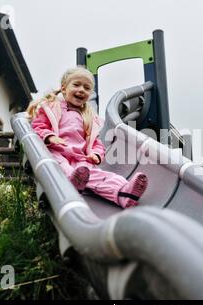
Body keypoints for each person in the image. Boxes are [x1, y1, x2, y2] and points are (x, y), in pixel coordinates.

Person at [27, 66, 148, 208]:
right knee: (63, 168)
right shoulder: (51, 107)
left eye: (86, 88)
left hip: (80, 159)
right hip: (56, 152)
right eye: (76, 85)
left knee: (99, 175)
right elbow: (38, 126)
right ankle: (71, 184)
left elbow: (96, 142)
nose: (81, 90)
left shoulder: (89, 118)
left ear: (89, 94)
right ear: (64, 88)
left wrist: (95, 154)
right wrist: (50, 137)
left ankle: (124, 192)